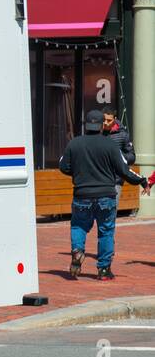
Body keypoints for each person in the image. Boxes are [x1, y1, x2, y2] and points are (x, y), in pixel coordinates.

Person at [59, 109, 150, 280]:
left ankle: (77, 251)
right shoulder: (110, 145)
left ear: (86, 124)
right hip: (106, 195)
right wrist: (142, 181)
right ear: (101, 125)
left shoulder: (74, 143)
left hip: (81, 194)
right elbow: (124, 170)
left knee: (78, 226)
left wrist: (78, 172)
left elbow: (63, 166)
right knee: (106, 231)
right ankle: (103, 270)